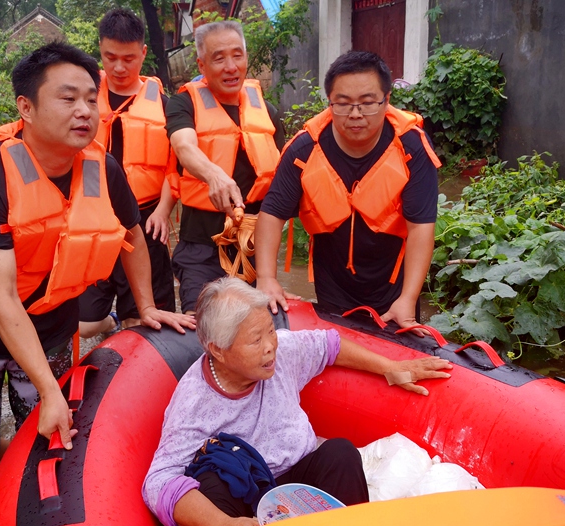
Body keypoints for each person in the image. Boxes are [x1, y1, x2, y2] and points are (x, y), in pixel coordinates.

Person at [0, 43, 194, 475]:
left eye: (91, 98)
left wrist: (144, 307)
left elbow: (132, 235)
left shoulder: (103, 168)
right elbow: (3, 297)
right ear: (25, 107)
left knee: (50, 447)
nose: (85, 110)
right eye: (68, 98)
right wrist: (51, 390)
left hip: (52, 330)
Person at [142, 278, 451, 526]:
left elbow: (327, 345)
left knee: (341, 453)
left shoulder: (282, 353)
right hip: (246, 497)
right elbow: (159, 481)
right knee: (211, 484)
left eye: (270, 332)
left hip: (298, 480)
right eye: (255, 340)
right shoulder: (194, 401)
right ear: (218, 350)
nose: (270, 347)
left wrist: (391, 367)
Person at [255, 51, 442, 329]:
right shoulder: (304, 149)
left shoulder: (412, 149)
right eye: (343, 104)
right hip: (332, 281)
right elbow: (272, 213)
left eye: (367, 103)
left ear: (386, 101)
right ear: (329, 103)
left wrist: (408, 297)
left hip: (394, 284)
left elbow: (421, 228)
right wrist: (267, 278)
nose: (355, 114)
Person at [167, 20, 285, 313]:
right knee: (201, 324)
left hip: (253, 249)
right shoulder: (183, 104)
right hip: (201, 248)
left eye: (237, 55)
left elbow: (284, 185)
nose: (231, 66)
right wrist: (215, 175)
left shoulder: (267, 113)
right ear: (202, 65)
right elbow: (184, 146)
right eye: (219, 58)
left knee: (255, 329)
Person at [78, 8, 178, 337]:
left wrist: (164, 210)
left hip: (146, 217)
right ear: (100, 50)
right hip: (93, 217)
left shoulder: (163, 105)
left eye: (129, 58)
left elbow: (173, 167)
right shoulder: (82, 99)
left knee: (151, 322)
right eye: (110, 57)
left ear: (143, 53)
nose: (119, 67)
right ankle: (109, 323)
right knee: (81, 323)